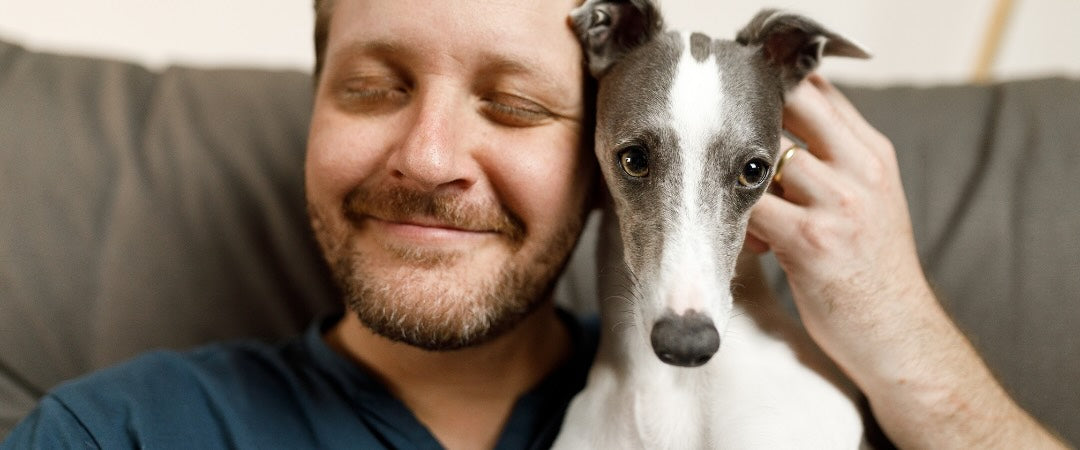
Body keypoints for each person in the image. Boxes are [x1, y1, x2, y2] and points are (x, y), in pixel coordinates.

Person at [1, 0, 1067, 449]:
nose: (426, 159)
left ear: (604, 156)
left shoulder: (751, 414)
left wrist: (910, 349)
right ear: (311, 102)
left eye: (514, 105)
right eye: (373, 87)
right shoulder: (119, 432)